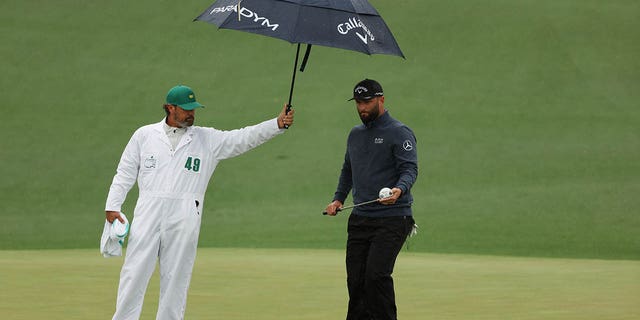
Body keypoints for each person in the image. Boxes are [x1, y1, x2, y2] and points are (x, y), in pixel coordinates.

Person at [104, 84, 295, 320]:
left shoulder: (207, 139)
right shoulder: (144, 136)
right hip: (148, 212)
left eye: (193, 109)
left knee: (176, 280)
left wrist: (276, 124)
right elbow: (124, 172)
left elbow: (243, 137)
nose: (191, 114)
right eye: (185, 109)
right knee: (133, 275)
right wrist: (113, 206)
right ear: (169, 108)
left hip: (185, 217)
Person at [324, 79, 418, 320]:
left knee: (376, 276)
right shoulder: (355, 135)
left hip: (393, 218)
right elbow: (348, 171)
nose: (362, 108)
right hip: (360, 219)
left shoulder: (399, 132)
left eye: (367, 102)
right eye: (358, 102)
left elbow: (409, 169)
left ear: (381, 99)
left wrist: (399, 189)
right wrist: (337, 199)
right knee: (356, 282)